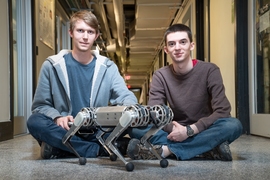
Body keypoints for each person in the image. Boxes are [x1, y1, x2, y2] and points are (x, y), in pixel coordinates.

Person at [27, 10, 137, 159]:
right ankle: (99, 150)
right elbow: (40, 106)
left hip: (97, 130)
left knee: (133, 118)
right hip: (66, 129)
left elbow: (124, 95)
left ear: (96, 36)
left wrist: (132, 107)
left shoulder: (108, 67)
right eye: (80, 31)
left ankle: (62, 148)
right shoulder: (52, 65)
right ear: (71, 32)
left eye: (90, 32)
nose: (85, 37)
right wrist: (57, 117)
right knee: (34, 121)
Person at [127, 23, 243, 161]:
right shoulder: (160, 75)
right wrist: (175, 130)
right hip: (174, 130)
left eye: (183, 42)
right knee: (133, 127)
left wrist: (189, 131)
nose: (177, 48)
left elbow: (223, 110)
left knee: (233, 125)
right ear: (166, 50)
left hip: (203, 129)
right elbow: (154, 112)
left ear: (191, 45)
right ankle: (206, 149)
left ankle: (167, 150)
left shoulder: (210, 70)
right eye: (172, 44)